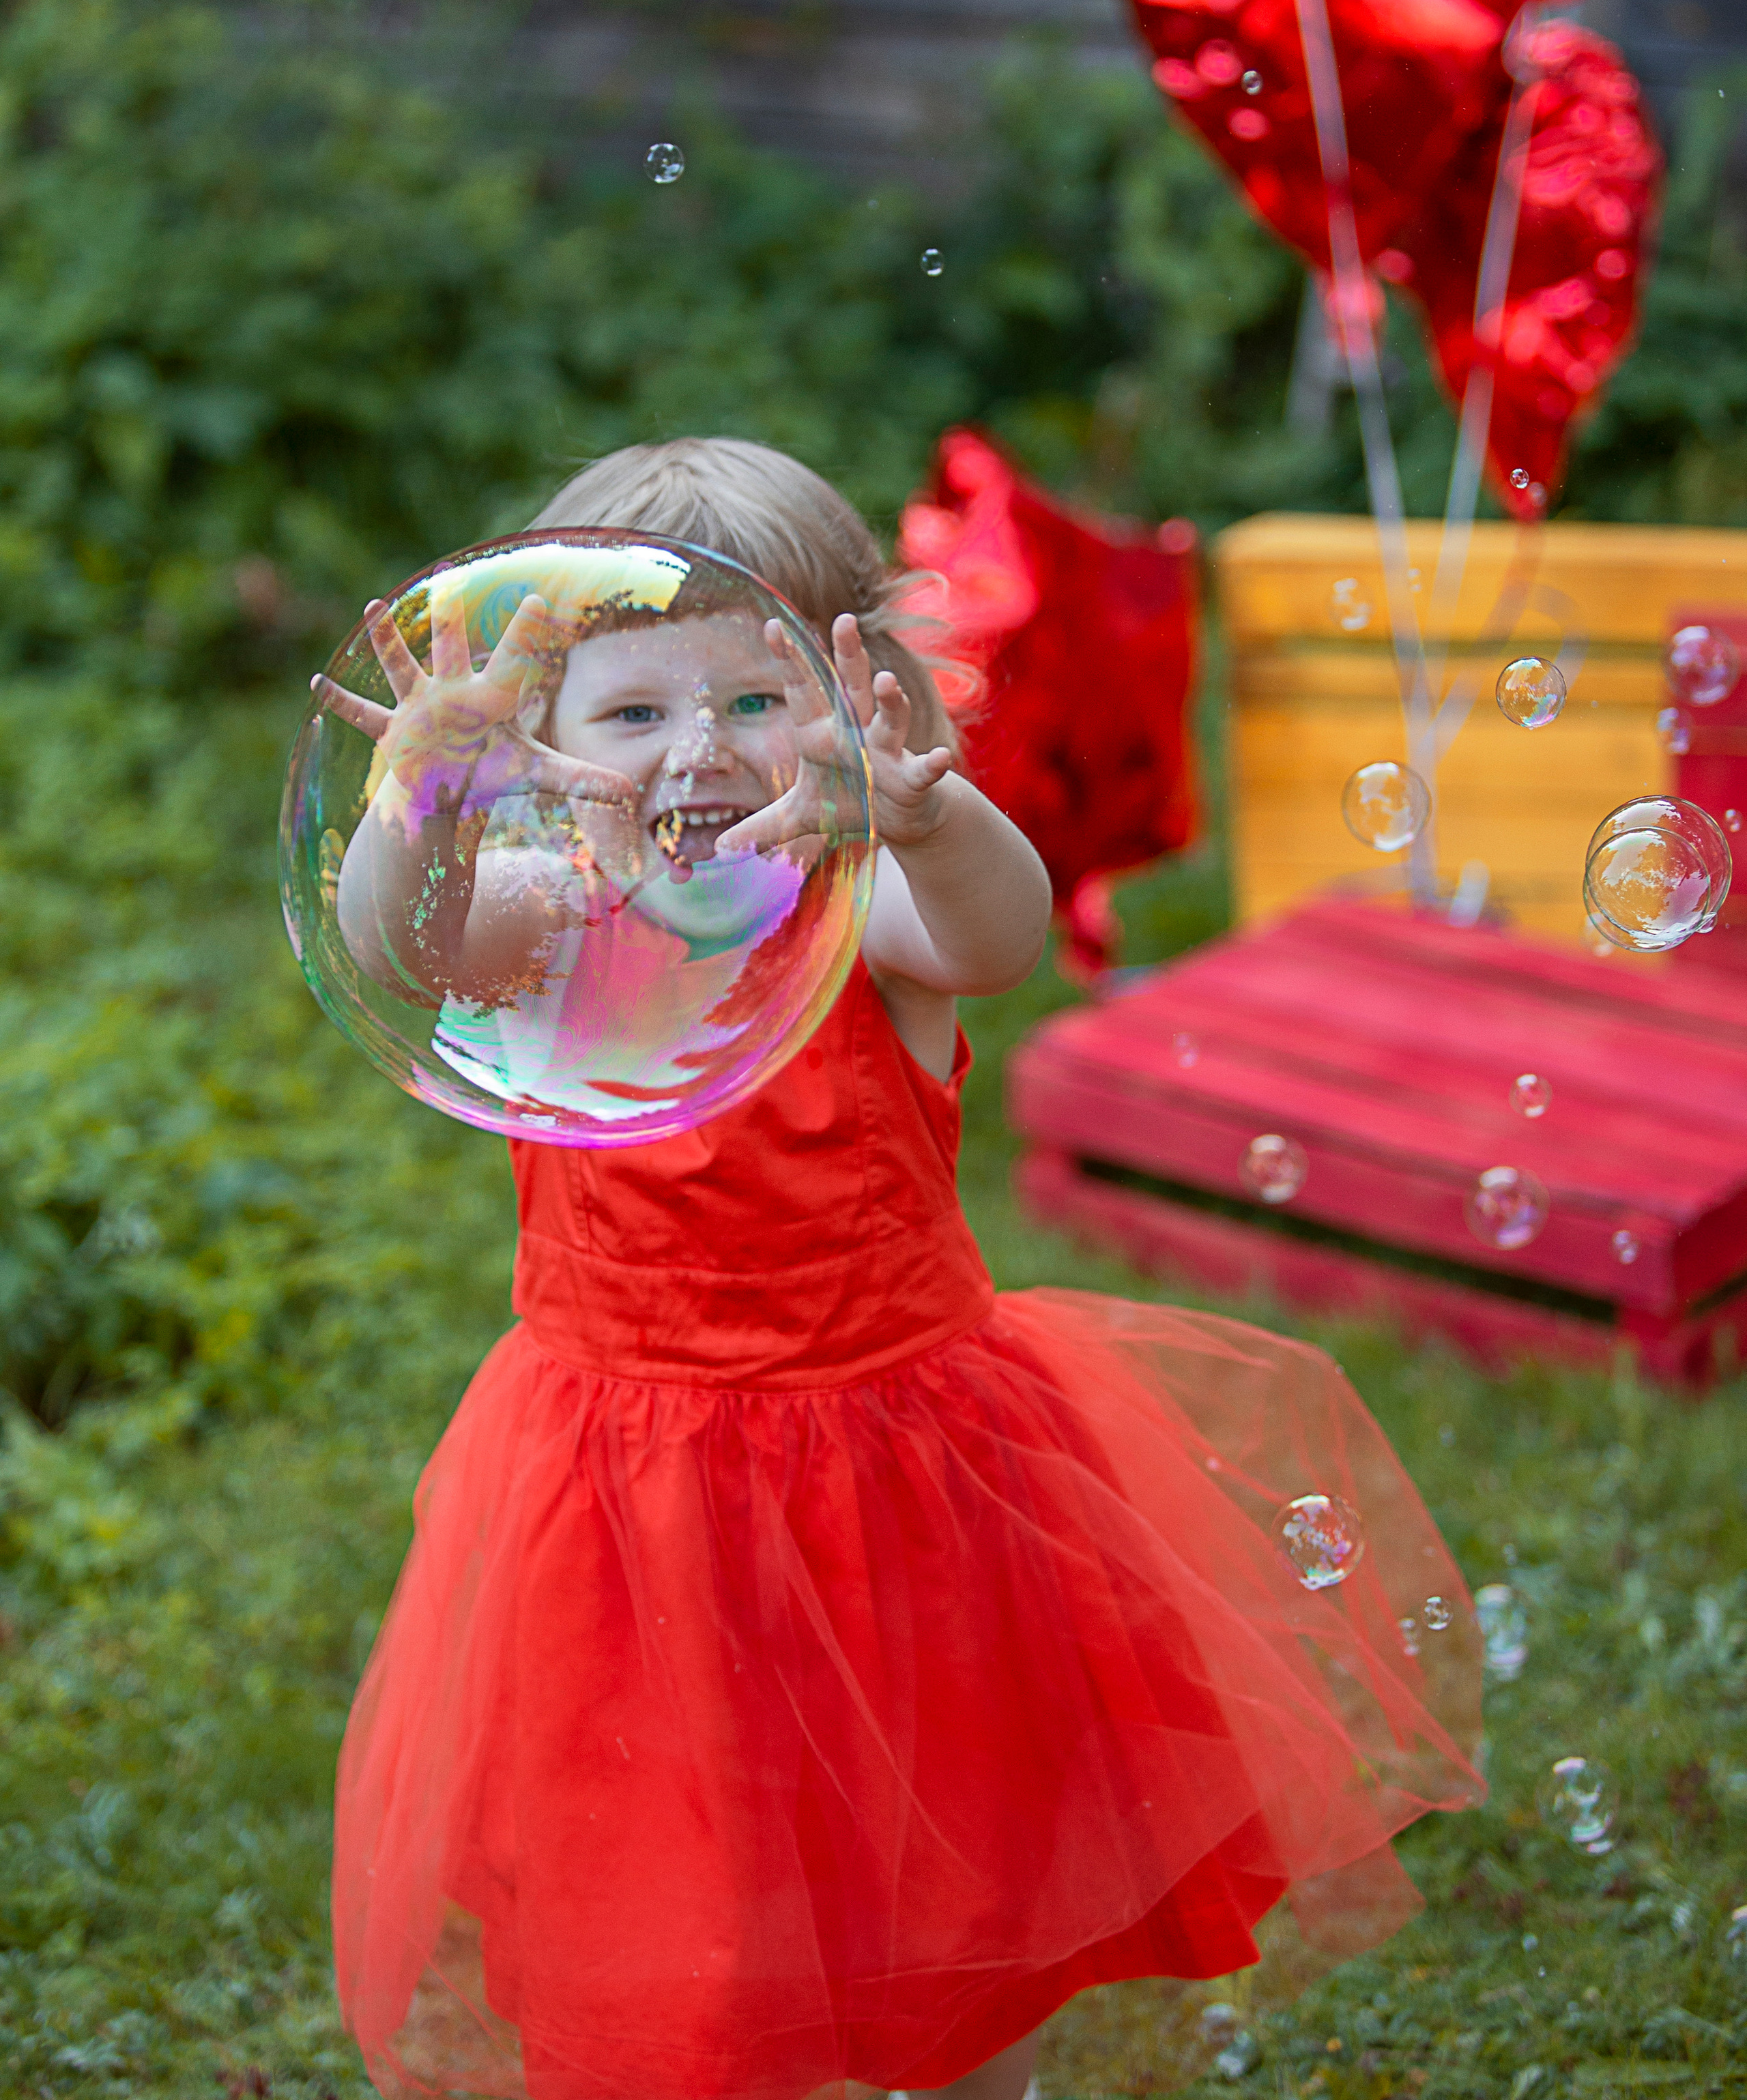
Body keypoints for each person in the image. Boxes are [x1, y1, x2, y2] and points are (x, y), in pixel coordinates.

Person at [320, 436, 1482, 2100]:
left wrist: (926, 821)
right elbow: (404, 938)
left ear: (849, 698)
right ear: (545, 733)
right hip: (633, 1501)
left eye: (753, 699)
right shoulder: (544, 916)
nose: (698, 751)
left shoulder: (856, 905)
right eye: (633, 711)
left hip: (900, 1479)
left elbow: (996, 938)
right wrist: (421, 799)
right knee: (690, 1891)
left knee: (952, 1888)